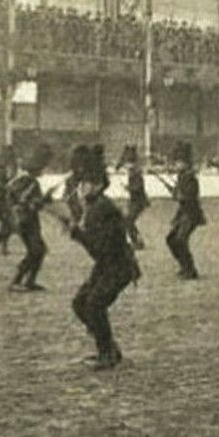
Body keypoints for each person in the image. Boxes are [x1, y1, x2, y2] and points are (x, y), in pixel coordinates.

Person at [67, 144, 140, 370]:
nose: (81, 187)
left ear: (98, 185)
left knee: (94, 305)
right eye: (80, 183)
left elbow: (101, 249)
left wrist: (78, 235)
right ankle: (108, 347)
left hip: (118, 267)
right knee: (81, 303)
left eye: (86, 183)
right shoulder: (93, 206)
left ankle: (107, 353)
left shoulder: (102, 209)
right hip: (107, 266)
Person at [8, 143, 53, 292]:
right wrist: (44, 199)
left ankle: (29, 281)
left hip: (25, 219)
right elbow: (31, 202)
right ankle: (18, 281)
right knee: (36, 250)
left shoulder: (22, 181)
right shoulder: (31, 183)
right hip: (27, 220)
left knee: (38, 250)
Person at [163, 141, 205, 280]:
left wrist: (177, 195)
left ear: (186, 163)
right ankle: (184, 266)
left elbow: (190, 196)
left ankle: (190, 270)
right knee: (171, 240)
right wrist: (175, 192)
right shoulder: (182, 176)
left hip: (191, 214)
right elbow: (180, 194)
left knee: (180, 240)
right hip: (183, 214)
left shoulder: (191, 177)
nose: (176, 165)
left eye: (179, 162)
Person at [117, 143, 148, 250]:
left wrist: (128, 188)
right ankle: (137, 240)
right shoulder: (133, 172)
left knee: (128, 220)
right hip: (134, 201)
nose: (127, 166)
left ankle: (137, 241)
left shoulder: (136, 173)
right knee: (127, 221)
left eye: (129, 163)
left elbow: (137, 187)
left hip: (139, 202)